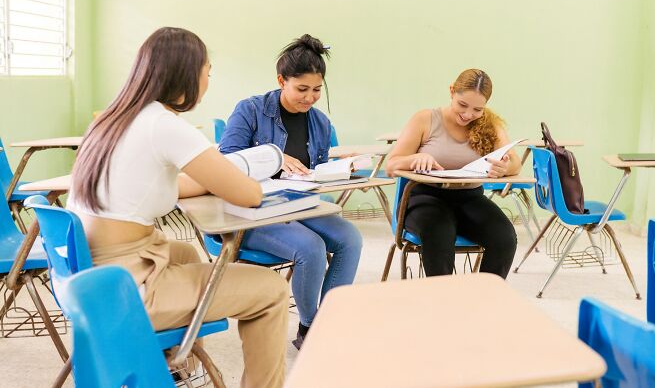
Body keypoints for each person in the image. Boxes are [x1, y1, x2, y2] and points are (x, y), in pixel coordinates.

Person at [68, 27, 288, 388]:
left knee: (185, 252)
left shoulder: (111, 119)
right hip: (128, 287)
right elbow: (249, 194)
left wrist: (214, 176)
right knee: (271, 289)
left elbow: (175, 186)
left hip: (91, 274)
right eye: (208, 73)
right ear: (187, 74)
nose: (207, 82)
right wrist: (244, 173)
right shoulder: (164, 125)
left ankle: (175, 371)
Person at [218, 34, 363, 349]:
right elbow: (226, 162)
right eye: (302, 89)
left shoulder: (320, 123)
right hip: (252, 210)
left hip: (298, 204)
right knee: (310, 248)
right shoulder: (251, 110)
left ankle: (330, 319)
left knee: (351, 239)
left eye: (316, 90)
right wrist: (273, 158)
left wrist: (335, 175)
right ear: (281, 80)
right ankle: (311, 329)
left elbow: (314, 175)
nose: (309, 98)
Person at [386, 69, 520, 278]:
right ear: (451, 91)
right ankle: (443, 304)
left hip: (470, 198)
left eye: (477, 109)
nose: (468, 115)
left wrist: (505, 168)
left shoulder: (489, 125)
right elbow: (391, 165)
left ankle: (485, 300)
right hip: (426, 197)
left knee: (504, 238)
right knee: (439, 233)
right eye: (462, 105)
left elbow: (515, 163)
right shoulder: (425, 119)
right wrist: (415, 159)